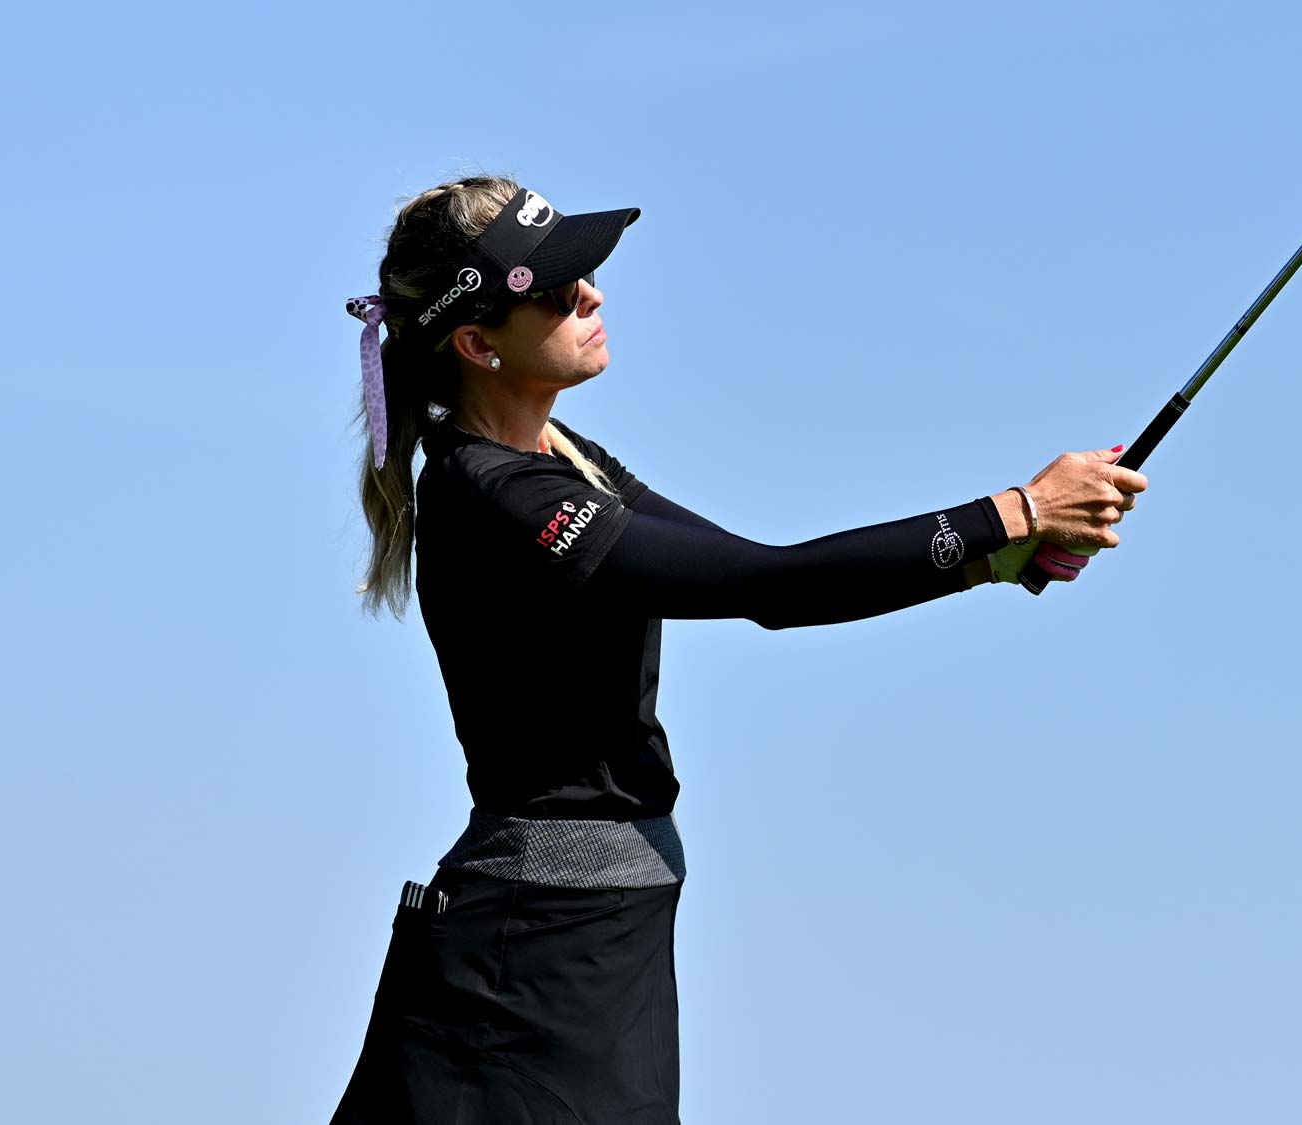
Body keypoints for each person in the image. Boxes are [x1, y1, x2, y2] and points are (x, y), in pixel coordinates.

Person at [329, 175, 1146, 1124]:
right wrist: (1018, 509)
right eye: (554, 289)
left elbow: (758, 567)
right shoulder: (503, 498)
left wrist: (993, 561)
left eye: (585, 274)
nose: (589, 294)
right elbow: (774, 591)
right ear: (476, 342)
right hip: (524, 963)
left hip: (593, 938)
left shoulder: (568, 461)